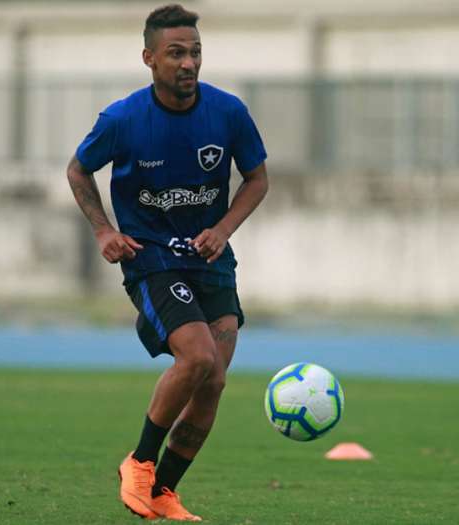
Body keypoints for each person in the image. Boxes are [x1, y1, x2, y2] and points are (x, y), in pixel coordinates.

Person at [66, 4, 268, 520]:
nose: (188, 63)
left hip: (211, 260)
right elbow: (78, 170)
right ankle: (139, 462)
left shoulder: (227, 113)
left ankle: (163, 492)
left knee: (214, 381)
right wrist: (104, 230)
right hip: (152, 259)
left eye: (195, 52)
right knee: (198, 358)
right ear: (149, 58)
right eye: (176, 53)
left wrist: (222, 230)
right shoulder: (123, 120)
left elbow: (258, 178)